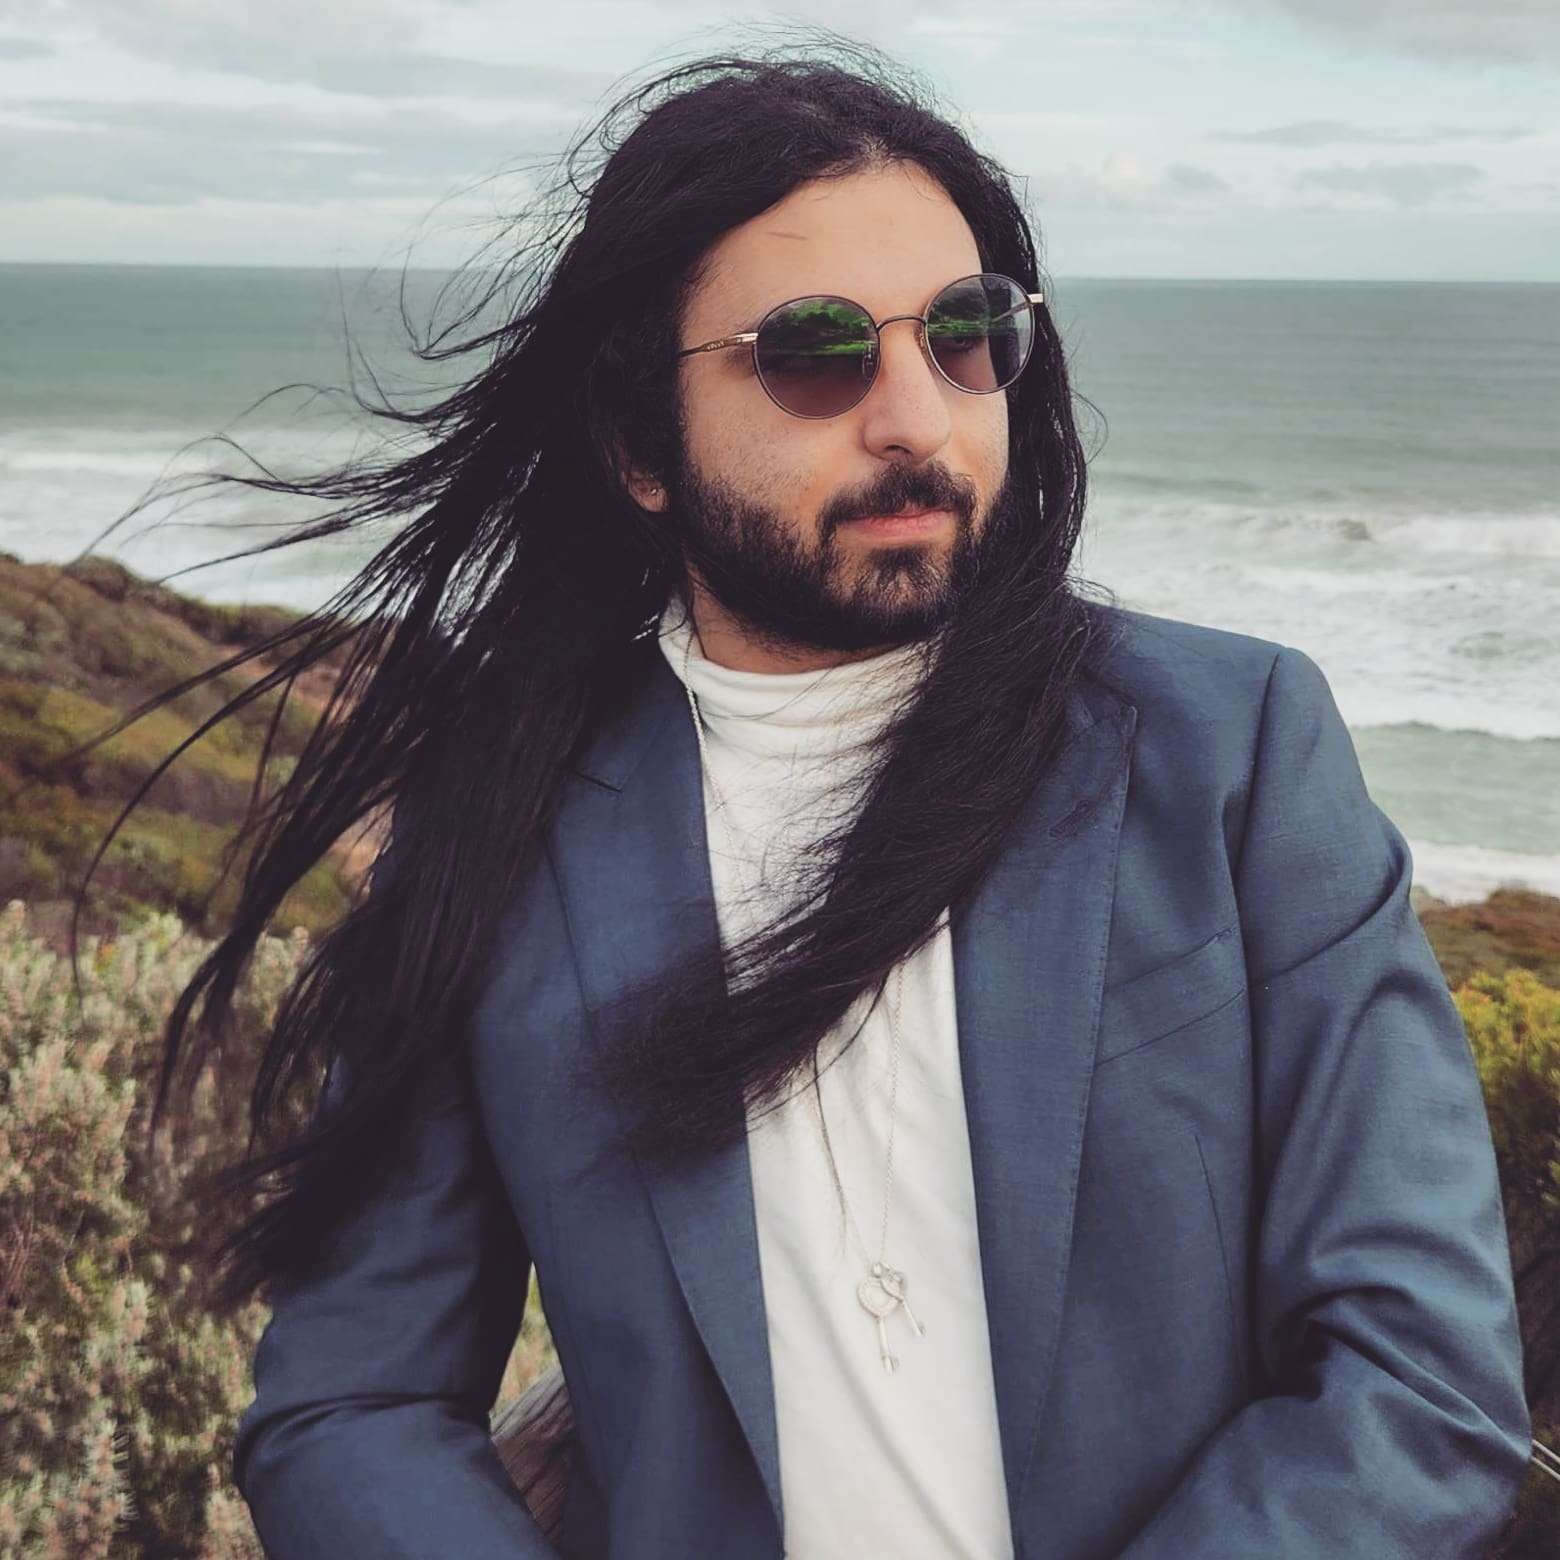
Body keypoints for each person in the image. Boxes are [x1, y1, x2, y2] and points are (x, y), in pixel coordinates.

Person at [113, 37, 1530, 1560]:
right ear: (641, 447)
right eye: (816, 350)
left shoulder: (1232, 751)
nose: (917, 415)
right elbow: (350, 1406)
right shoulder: (503, 832)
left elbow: (1420, 1374)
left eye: (968, 334)